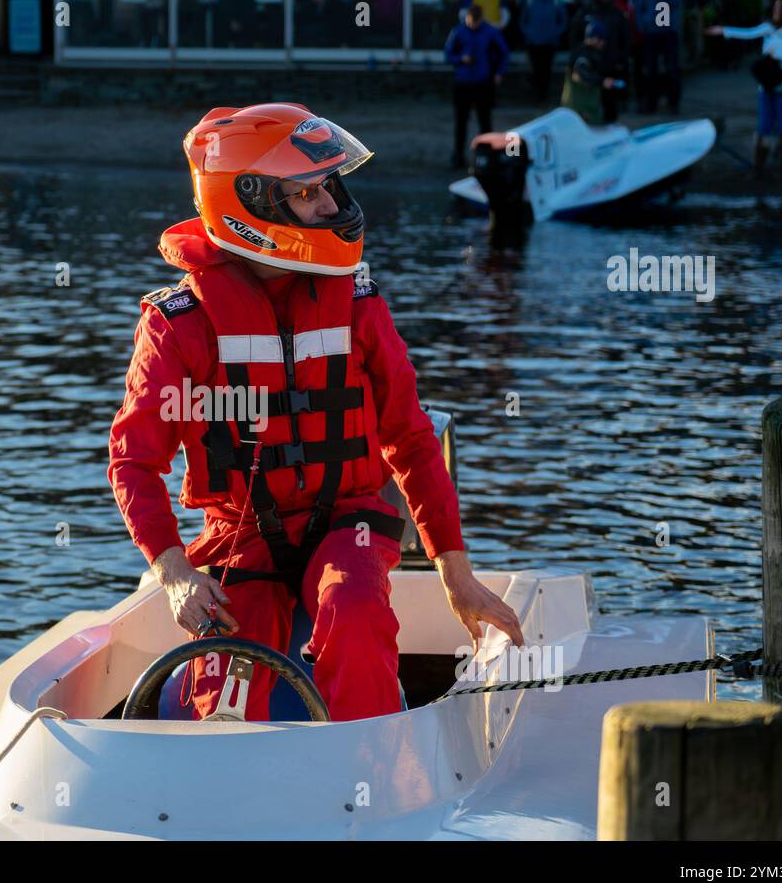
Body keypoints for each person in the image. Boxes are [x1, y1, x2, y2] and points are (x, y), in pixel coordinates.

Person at [107, 103, 525, 723]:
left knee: (353, 610)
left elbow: (412, 441)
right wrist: (173, 572)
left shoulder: (358, 302)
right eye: (308, 193)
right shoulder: (178, 324)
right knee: (226, 680)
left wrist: (458, 579)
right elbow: (133, 463)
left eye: (330, 185)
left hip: (349, 520)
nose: (332, 206)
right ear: (247, 206)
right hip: (240, 533)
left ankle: (376, 778)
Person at [706, 0, 782, 175]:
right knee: (763, 126)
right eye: (775, 8)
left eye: (779, 8)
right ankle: (759, 168)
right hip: (768, 86)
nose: (775, 11)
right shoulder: (769, 28)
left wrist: (779, 54)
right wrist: (723, 31)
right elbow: (748, 33)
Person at [445, 5, 510, 169]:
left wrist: (499, 73)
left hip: (483, 82)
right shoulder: (459, 31)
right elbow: (448, 54)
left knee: (485, 122)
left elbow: (504, 53)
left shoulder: (490, 32)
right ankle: (458, 157)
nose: (472, 25)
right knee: (461, 122)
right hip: (463, 83)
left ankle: (487, 157)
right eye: (470, 21)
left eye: (475, 22)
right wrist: (461, 58)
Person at [571, 0, 629, 114]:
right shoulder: (585, 11)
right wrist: (578, 54)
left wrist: (622, 61)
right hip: (590, 66)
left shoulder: (617, 13)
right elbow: (574, 37)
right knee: (588, 109)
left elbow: (625, 40)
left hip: (611, 66)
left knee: (610, 109)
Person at [635, 0, 683, 113]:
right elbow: (639, 6)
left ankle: (673, 102)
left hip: (669, 32)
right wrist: (643, 24)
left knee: (672, 68)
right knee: (651, 69)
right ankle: (651, 102)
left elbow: (676, 2)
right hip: (652, 32)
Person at [563, 20, 623, 124]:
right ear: (594, 38)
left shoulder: (590, 53)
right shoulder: (582, 55)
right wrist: (602, 81)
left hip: (587, 108)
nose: (603, 43)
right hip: (579, 109)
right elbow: (582, 75)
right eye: (601, 39)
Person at [520, 0, 568, 102]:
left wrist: (554, 33)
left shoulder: (556, 1)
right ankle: (536, 96)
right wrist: (530, 33)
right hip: (533, 43)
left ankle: (543, 97)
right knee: (536, 70)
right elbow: (522, 21)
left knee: (546, 70)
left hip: (550, 43)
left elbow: (563, 22)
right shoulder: (530, 0)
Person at [616, 0, 645, 107]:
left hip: (639, 38)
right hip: (624, 41)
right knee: (623, 70)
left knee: (639, 70)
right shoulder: (619, 0)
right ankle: (622, 97)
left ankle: (640, 97)